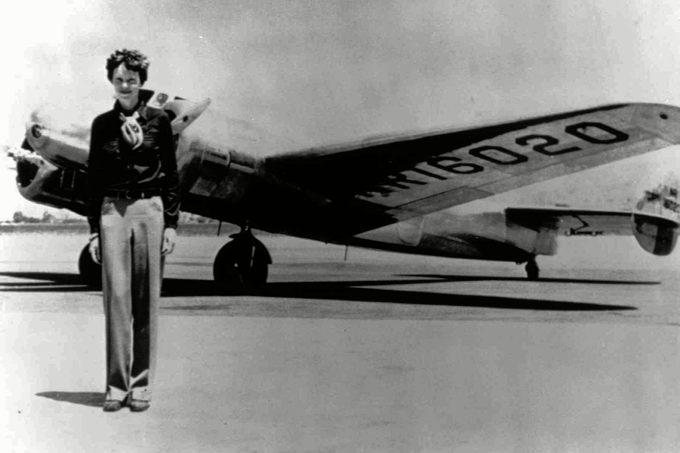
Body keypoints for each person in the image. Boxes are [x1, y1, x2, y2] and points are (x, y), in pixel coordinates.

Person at [87, 49, 180, 412]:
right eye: (119, 79)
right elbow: (93, 180)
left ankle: (141, 386)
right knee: (116, 301)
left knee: (146, 302)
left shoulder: (159, 122)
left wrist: (171, 224)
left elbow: (171, 176)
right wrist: (94, 229)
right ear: (111, 81)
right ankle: (116, 386)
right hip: (113, 211)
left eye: (132, 80)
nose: (125, 85)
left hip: (149, 211)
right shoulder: (102, 125)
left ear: (142, 82)